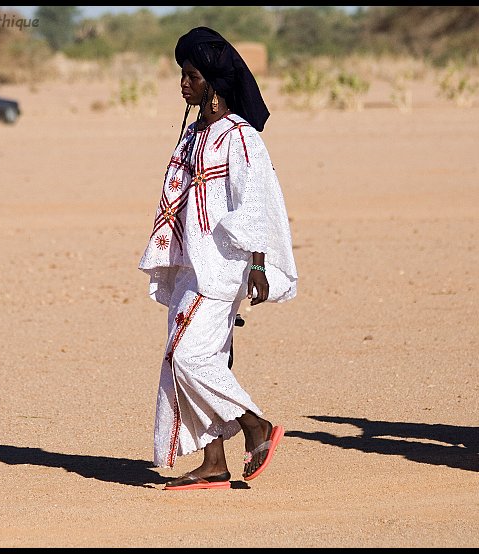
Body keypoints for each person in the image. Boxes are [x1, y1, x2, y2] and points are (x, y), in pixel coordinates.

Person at [137, 27, 298, 490]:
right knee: (203, 358)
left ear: (212, 82)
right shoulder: (192, 135)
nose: (183, 83)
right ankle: (214, 462)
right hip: (191, 264)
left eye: (191, 75)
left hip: (223, 267)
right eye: (181, 75)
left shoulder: (240, 137)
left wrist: (260, 265)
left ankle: (256, 425)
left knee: (187, 356)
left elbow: (258, 203)